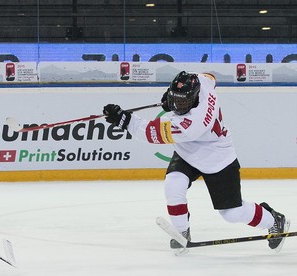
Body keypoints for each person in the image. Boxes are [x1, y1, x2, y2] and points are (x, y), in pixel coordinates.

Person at [103, 71, 290, 252]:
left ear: (193, 98)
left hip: (217, 158)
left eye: (183, 102)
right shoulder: (202, 82)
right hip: (188, 153)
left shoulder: (192, 125)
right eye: (176, 99)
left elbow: (150, 133)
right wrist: (172, 99)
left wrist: (124, 120)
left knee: (232, 213)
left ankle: (273, 220)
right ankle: (182, 232)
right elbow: (210, 76)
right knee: (173, 185)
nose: (179, 105)